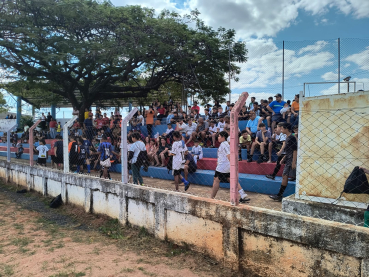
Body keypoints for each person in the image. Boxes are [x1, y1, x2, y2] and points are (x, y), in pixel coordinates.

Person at [210, 131, 250, 202]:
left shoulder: (224, 144)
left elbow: (228, 155)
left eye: (219, 136)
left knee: (216, 180)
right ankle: (242, 194)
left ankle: (211, 198)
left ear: (223, 137)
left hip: (223, 166)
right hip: (226, 166)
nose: (218, 138)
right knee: (231, 179)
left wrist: (232, 166)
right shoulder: (226, 144)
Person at [269, 123, 297, 201]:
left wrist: (293, 162)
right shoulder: (288, 137)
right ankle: (279, 195)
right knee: (284, 176)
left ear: (286, 129)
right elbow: (289, 151)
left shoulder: (291, 137)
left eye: (282, 129)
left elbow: (295, 150)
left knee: (285, 175)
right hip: (288, 158)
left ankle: (279, 195)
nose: (281, 130)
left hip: (291, 159)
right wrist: (283, 158)